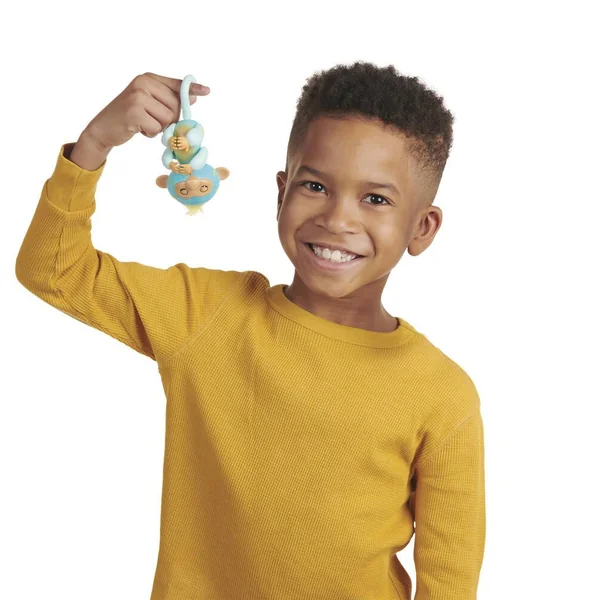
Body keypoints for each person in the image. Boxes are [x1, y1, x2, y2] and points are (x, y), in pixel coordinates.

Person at [15, 62, 485, 600]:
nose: (337, 220)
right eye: (315, 185)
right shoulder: (206, 314)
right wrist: (94, 145)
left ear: (422, 227)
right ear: (281, 193)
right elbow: (53, 271)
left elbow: (449, 582)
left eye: (375, 199)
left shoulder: (442, 395)